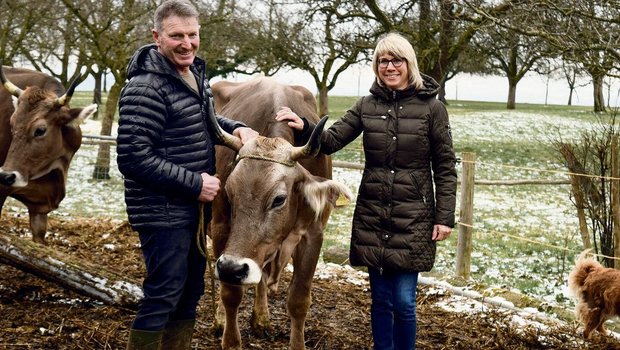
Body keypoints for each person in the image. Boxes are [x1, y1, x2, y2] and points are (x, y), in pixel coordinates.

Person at [276, 32, 457, 350]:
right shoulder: (366, 106)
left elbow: (445, 167)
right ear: (376, 66)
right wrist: (304, 126)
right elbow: (331, 141)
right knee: (381, 301)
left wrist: (444, 217)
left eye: (396, 60)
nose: (389, 66)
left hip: (413, 215)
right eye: (383, 61)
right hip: (374, 213)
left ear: (409, 64)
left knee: (404, 302)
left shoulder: (432, 109)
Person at [116, 0, 258, 348]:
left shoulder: (191, 74)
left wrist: (238, 128)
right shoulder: (146, 87)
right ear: (157, 37)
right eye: (176, 35)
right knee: (164, 292)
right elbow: (132, 156)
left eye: (192, 34)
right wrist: (194, 183)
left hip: (189, 211)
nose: (186, 43)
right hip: (161, 210)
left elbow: (204, 120)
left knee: (190, 290)